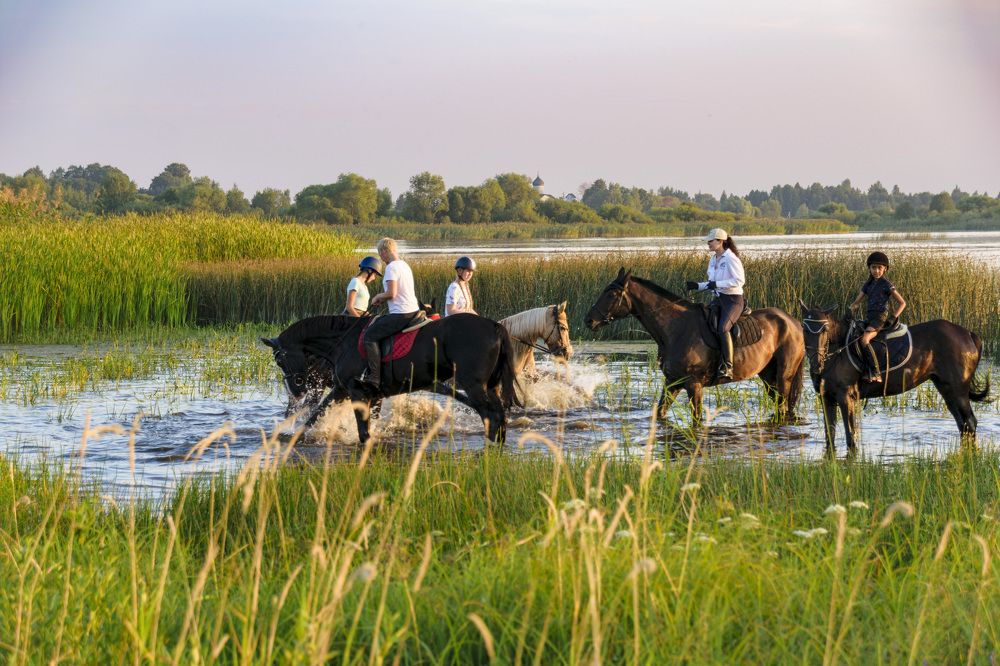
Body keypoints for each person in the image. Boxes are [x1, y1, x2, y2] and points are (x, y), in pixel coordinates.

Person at [359, 238, 421, 390]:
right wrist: (383, 298)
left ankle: (374, 378)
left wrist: (378, 297)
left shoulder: (391, 268)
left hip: (401, 314)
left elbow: (391, 293)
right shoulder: (404, 265)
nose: (382, 258)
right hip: (413, 311)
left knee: (369, 336)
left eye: (381, 255)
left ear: (385, 252)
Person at [684, 228, 745, 381]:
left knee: (723, 328)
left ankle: (728, 366)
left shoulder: (731, 259)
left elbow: (739, 281)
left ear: (720, 242)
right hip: (718, 299)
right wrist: (697, 286)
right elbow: (712, 284)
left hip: (733, 300)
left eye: (711, 241)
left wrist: (717, 284)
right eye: (708, 241)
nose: (708, 243)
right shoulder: (713, 260)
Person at [848, 251, 906, 383]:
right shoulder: (868, 285)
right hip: (869, 318)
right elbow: (856, 303)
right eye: (874, 267)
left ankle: (876, 372)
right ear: (869, 268)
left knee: (865, 340)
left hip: (880, 318)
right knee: (854, 335)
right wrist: (850, 310)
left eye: (880, 268)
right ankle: (863, 368)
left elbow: (903, 303)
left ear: (885, 269)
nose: (876, 271)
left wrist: (893, 317)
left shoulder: (886, 284)